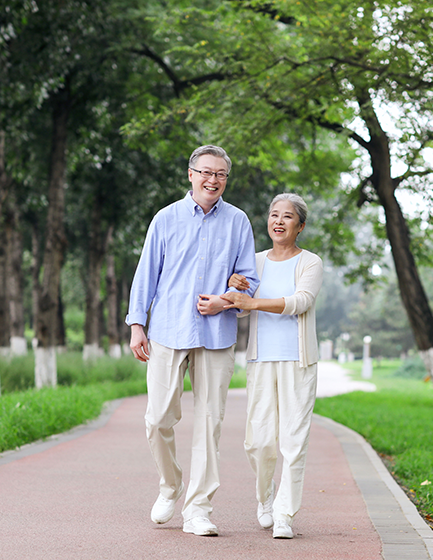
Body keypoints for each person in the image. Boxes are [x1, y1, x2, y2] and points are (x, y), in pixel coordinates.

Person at [125, 145, 259, 537]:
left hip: (217, 336)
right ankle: (170, 485)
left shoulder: (238, 222)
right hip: (168, 330)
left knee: (209, 423)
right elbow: (146, 272)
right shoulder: (166, 219)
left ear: (226, 180)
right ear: (190, 174)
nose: (212, 180)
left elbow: (248, 279)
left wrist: (225, 300)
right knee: (158, 418)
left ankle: (198, 509)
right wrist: (137, 324)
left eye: (220, 174)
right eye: (206, 172)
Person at [221, 193, 323, 539]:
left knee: (293, 441)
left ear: (300, 226)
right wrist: (232, 289)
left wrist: (253, 301)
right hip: (261, 359)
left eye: (288, 217)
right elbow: (240, 307)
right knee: (259, 441)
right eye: (274, 215)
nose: (278, 221)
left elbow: (301, 302)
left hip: (299, 361)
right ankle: (265, 496)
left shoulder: (310, 263)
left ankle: (284, 514)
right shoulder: (255, 261)